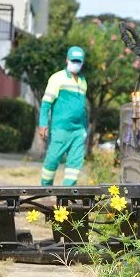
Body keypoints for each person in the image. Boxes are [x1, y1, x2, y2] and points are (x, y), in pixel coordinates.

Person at [38, 46, 88, 186]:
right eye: (73, 60)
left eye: (78, 61)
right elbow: (46, 104)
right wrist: (43, 124)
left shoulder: (83, 82)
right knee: (52, 159)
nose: (76, 63)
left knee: (75, 164)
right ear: (67, 60)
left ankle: (66, 195)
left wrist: (85, 129)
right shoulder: (57, 78)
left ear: (82, 62)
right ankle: (45, 189)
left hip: (78, 131)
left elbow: (83, 108)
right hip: (60, 128)